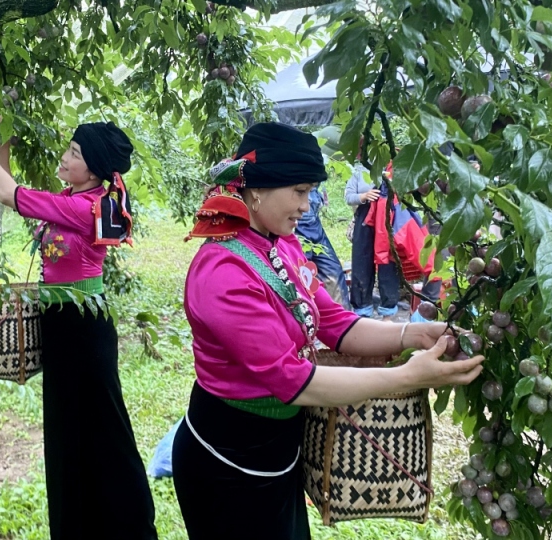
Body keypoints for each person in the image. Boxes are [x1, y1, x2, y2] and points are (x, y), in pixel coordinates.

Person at [172, 122, 484, 540]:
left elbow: (334, 322)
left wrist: (410, 335)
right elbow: (292, 380)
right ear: (259, 188)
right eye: (300, 191)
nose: (308, 204)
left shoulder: (282, 244)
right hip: (227, 458)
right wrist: (406, 377)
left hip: (278, 449)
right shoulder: (222, 272)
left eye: (310, 192)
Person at [0, 114, 158, 540]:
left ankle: (126, 525)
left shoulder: (83, 207)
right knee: (75, 432)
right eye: (69, 149)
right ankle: (88, 524)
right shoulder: (78, 198)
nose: (65, 158)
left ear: (97, 168)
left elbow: (7, 195)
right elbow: (15, 194)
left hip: (81, 327)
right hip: (69, 325)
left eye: (75, 154)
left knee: (99, 430)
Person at [346, 161, 399, 318]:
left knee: (388, 263)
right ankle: (363, 312)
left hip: (388, 218)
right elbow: (348, 196)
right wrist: (364, 196)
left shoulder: (392, 167)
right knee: (361, 262)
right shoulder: (359, 171)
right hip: (364, 219)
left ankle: (388, 313)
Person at [294, 183, 349, 308]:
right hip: (295, 214)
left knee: (333, 273)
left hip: (313, 213)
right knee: (300, 277)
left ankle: (343, 321)